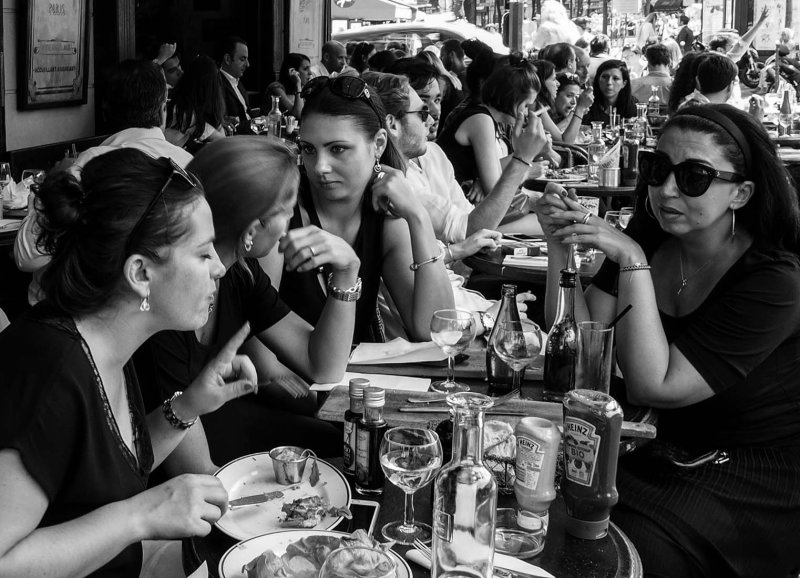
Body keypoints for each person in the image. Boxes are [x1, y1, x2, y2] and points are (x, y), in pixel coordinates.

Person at [534, 103, 800, 577]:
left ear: (740, 193)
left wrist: (631, 257)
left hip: (747, 473)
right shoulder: (651, 236)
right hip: (657, 447)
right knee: (544, 502)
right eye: (657, 169)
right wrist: (561, 247)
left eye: (694, 176)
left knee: (620, 545)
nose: (666, 189)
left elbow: (655, 386)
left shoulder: (774, 280)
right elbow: (579, 347)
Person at [0, 148, 258, 576]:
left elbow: (103, 476)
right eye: (203, 253)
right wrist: (140, 516)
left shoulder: (107, 340)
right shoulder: (52, 372)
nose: (219, 268)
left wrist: (189, 405)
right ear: (140, 273)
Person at [135, 137, 354, 466]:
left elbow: (323, 366)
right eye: (287, 210)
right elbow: (192, 470)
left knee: (348, 446)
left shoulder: (241, 273)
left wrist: (348, 272)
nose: (291, 221)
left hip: (222, 424)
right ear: (252, 229)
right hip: (175, 459)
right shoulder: (169, 297)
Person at [263, 75, 454, 344]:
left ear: (378, 144)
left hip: (359, 381)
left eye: (338, 149)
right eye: (308, 149)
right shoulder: (279, 207)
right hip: (287, 380)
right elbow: (258, 334)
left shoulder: (385, 218)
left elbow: (435, 330)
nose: (319, 167)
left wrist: (417, 216)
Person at [361, 71, 540, 337]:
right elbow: (434, 330)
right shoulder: (389, 192)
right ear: (391, 125)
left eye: (438, 100)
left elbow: (474, 223)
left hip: (465, 306)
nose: (434, 116)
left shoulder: (430, 155)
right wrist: (522, 159)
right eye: (422, 110)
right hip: (456, 325)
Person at [15, 59, 192, 307]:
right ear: (163, 109)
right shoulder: (189, 165)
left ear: (106, 110)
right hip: (165, 307)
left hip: (84, 317)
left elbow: (27, 255)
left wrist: (55, 183)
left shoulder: (90, 166)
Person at [437, 59, 542, 203]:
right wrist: (527, 168)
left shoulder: (487, 118)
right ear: (510, 98)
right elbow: (495, 194)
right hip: (455, 211)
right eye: (525, 105)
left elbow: (494, 169)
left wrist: (481, 179)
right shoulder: (481, 120)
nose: (526, 113)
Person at [165, 55, 227, 152]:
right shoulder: (182, 112)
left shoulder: (188, 109)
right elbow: (223, 141)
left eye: (180, 66)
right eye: (172, 70)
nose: (180, 72)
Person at [583, 59, 637, 125]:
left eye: (615, 78)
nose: (609, 82)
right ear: (598, 79)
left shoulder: (633, 106)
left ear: (624, 83)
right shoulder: (587, 103)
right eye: (605, 77)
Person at [216, 35, 252, 134]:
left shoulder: (239, 83)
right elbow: (228, 123)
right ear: (227, 59)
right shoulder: (216, 84)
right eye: (242, 59)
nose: (248, 64)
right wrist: (261, 122)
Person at [265, 52, 311, 118]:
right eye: (305, 69)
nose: (310, 73)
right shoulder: (276, 88)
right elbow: (298, 114)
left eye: (309, 68)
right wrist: (298, 84)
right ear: (293, 71)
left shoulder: (304, 88)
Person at [552, 72, 594, 137]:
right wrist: (576, 112)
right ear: (555, 94)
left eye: (577, 97)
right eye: (569, 96)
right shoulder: (543, 114)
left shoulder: (561, 116)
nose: (574, 102)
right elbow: (552, 136)